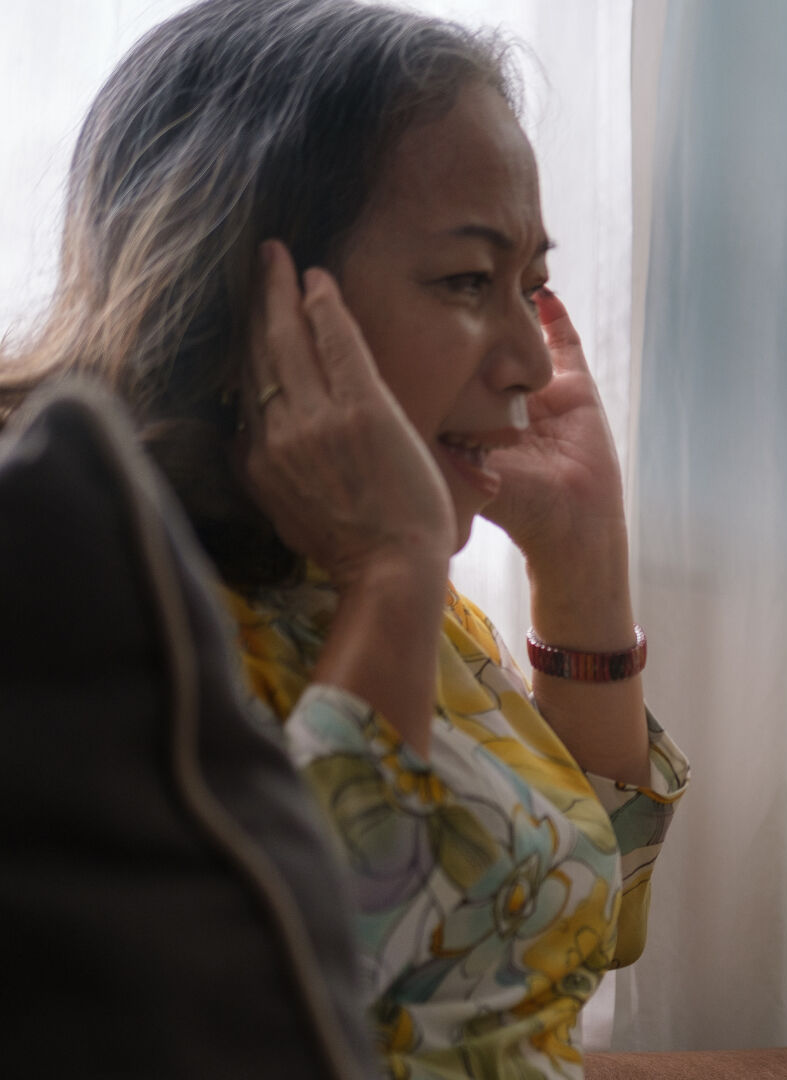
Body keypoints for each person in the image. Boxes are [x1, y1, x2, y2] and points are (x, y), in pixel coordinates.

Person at [0, 1, 687, 1076]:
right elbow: (270, 996)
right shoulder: (99, 624)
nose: (533, 361)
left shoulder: (366, 569)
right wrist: (393, 578)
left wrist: (581, 562)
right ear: (241, 296)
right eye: (468, 280)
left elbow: (585, 928)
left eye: (534, 287)